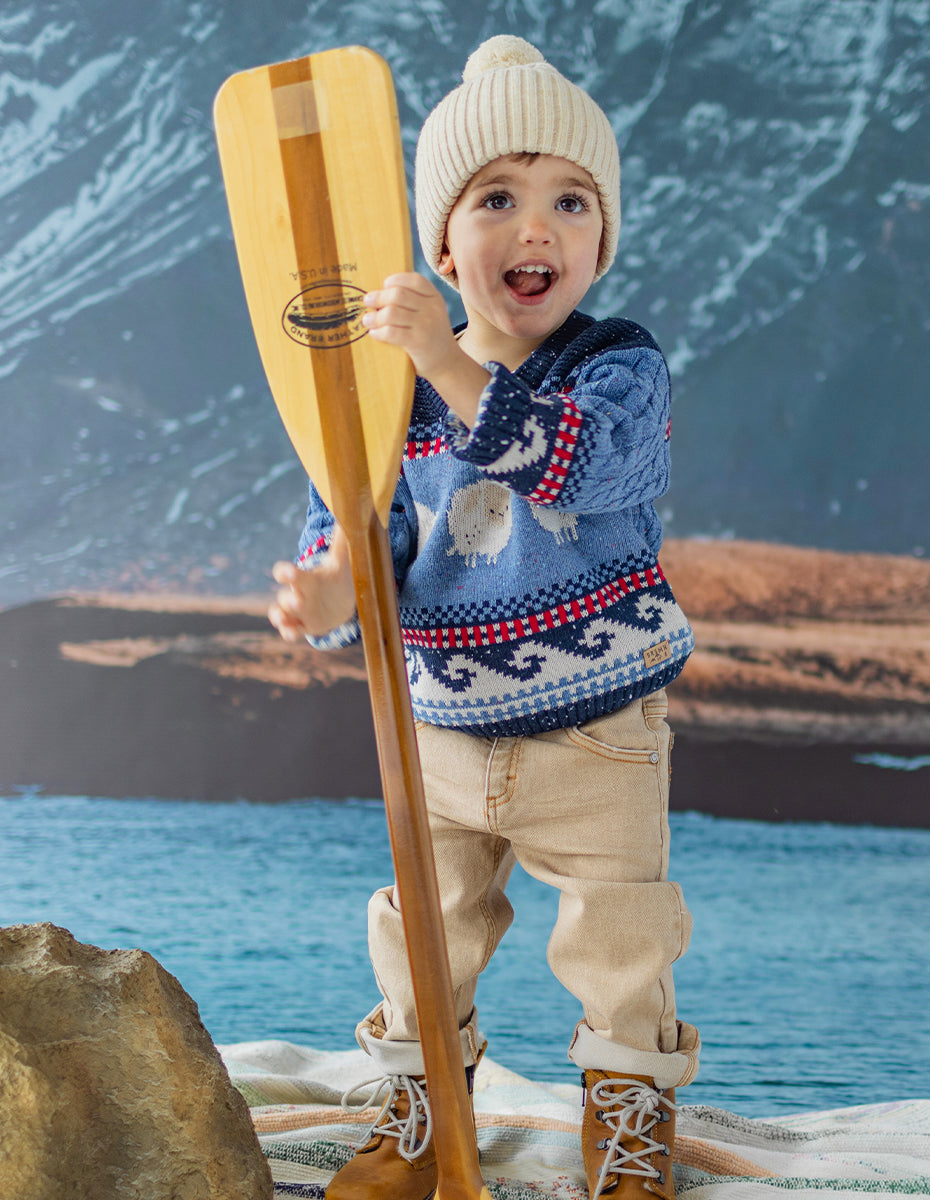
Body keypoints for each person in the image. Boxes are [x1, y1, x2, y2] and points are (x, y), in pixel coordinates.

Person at [268, 34, 699, 1200]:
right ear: (443, 244)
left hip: (597, 733)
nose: (536, 227)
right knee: (423, 931)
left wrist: (445, 368)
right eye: (497, 198)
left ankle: (626, 1119)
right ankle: (424, 1113)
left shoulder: (618, 370)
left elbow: (576, 466)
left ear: (602, 242)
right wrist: (331, 590)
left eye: (571, 202)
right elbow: (358, 526)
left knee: (620, 936)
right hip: (442, 734)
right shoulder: (387, 395)